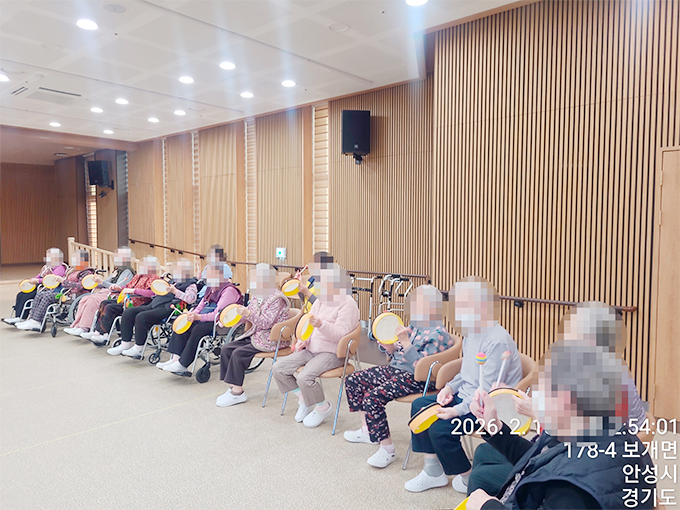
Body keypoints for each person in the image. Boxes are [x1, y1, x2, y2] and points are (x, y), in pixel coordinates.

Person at [467, 301, 648, 498]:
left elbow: (574, 442)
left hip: (572, 462)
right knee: (484, 452)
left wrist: (537, 412)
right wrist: (500, 410)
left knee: (481, 477)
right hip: (555, 449)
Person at [405, 276, 523, 494]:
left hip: (487, 407)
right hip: (467, 396)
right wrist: (449, 388)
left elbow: (486, 393)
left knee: (441, 428)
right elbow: (466, 371)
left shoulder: (497, 340)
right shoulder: (472, 331)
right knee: (420, 406)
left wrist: (455, 410)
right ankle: (433, 471)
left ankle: (468, 477)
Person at [343, 285, 454, 468]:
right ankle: (367, 430)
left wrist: (405, 343)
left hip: (418, 379)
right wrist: (390, 347)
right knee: (353, 380)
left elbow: (422, 368)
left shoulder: (438, 334)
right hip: (398, 369)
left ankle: (387, 449)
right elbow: (397, 350)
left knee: (373, 397)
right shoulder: (416, 324)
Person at [272, 259, 360, 429]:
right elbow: (308, 326)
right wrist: (304, 340)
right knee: (278, 368)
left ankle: (322, 407)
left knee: (305, 377)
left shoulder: (347, 303)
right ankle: (304, 399)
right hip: (312, 349)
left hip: (333, 351)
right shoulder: (321, 301)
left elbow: (340, 335)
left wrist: (321, 324)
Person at [215, 263, 290, 407]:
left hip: (271, 338)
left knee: (238, 353)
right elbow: (246, 315)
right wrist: (230, 320)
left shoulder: (277, 299)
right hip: (256, 334)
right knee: (227, 349)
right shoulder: (258, 295)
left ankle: (237, 393)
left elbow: (266, 323)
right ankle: (233, 386)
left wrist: (248, 313)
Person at [159, 262, 242, 375]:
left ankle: (183, 364)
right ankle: (175, 359)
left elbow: (217, 314)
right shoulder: (211, 289)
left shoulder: (229, 290)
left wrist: (198, 317)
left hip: (220, 322)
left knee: (197, 329)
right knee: (183, 323)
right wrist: (191, 315)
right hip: (204, 318)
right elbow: (200, 306)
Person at [106, 258, 198, 357]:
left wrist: (175, 291)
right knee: (129, 312)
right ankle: (125, 344)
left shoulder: (191, 284)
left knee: (142, 316)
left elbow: (191, 299)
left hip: (169, 307)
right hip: (156, 303)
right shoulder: (172, 281)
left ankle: (139, 348)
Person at [87, 256, 161, 345]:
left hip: (138, 303)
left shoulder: (154, 278)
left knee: (110, 307)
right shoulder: (138, 276)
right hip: (128, 300)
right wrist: (119, 288)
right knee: (104, 303)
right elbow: (127, 287)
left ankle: (104, 334)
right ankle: (98, 332)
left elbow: (152, 293)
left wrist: (134, 291)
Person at [16, 250, 94, 331]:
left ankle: (37, 322)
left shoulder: (86, 272)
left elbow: (81, 286)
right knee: (40, 294)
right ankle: (33, 320)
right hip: (64, 291)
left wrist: (63, 281)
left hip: (74, 294)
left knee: (47, 297)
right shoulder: (73, 270)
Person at [64, 247, 135, 337]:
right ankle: (77, 326)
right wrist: (95, 283)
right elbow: (105, 283)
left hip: (114, 295)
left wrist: (102, 282)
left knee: (91, 300)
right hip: (106, 292)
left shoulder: (127, 272)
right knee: (84, 299)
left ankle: (85, 327)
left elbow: (117, 287)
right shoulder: (117, 271)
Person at [3, 247, 67, 324]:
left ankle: (22, 318)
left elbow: (51, 280)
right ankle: (17, 316)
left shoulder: (60, 268)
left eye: (50, 256)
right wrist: (32, 280)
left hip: (47, 288)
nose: (47, 258)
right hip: (40, 286)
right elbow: (39, 276)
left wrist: (37, 281)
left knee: (26, 296)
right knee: (20, 295)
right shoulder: (46, 267)